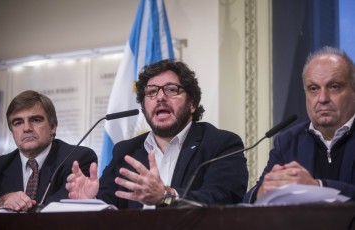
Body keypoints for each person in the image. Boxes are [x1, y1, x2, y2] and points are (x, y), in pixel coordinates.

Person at [66, 59, 248, 209]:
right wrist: (91, 202)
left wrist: (165, 196)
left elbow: (222, 197)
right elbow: (111, 204)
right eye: (151, 92)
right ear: (144, 106)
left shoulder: (221, 144)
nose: (160, 97)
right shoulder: (126, 151)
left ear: (192, 104)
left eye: (171, 89)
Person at [244, 46, 355, 203]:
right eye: (313, 88)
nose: (322, 98)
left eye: (334, 87)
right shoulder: (288, 141)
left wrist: (319, 187)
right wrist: (264, 191)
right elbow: (249, 199)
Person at [0, 90, 97, 212]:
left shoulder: (77, 158)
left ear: (53, 127)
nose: (27, 128)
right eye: (18, 123)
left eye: (36, 120)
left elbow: (62, 206)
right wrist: (0, 201)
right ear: (12, 131)